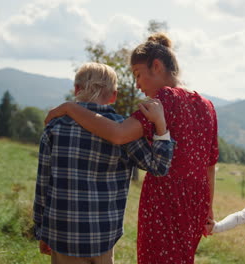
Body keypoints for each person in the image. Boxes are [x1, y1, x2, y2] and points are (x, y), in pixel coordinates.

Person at [43, 33, 219, 263]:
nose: (137, 84)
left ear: (156, 66)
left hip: (165, 201)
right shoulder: (207, 105)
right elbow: (210, 164)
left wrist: (70, 108)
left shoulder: (164, 99)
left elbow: (118, 134)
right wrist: (208, 208)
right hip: (196, 202)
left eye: (138, 75)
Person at [33, 62, 175, 264]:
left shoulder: (54, 127)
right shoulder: (123, 130)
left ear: (76, 90)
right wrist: (161, 127)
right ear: (113, 96)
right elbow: (158, 167)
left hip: (61, 232)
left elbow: (43, 184)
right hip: (103, 235)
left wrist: (41, 229)